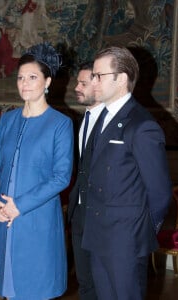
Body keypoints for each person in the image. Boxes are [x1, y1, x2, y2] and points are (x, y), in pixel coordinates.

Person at [0, 42, 74, 300]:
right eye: (21, 77)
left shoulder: (61, 124)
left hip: (37, 218)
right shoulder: (7, 119)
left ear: (47, 82)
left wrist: (19, 205)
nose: (25, 83)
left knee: (35, 287)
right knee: (7, 287)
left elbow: (61, 177)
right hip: (3, 217)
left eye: (32, 77)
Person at [81, 46, 172, 300]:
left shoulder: (142, 126)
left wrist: (141, 231)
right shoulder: (102, 118)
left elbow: (160, 193)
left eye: (99, 75)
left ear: (121, 78)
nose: (93, 81)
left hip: (125, 240)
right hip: (99, 234)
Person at [68, 62, 104, 300]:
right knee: (85, 282)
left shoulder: (113, 123)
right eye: (77, 82)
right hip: (80, 212)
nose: (76, 88)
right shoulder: (84, 120)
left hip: (103, 217)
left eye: (83, 83)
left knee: (104, 284)